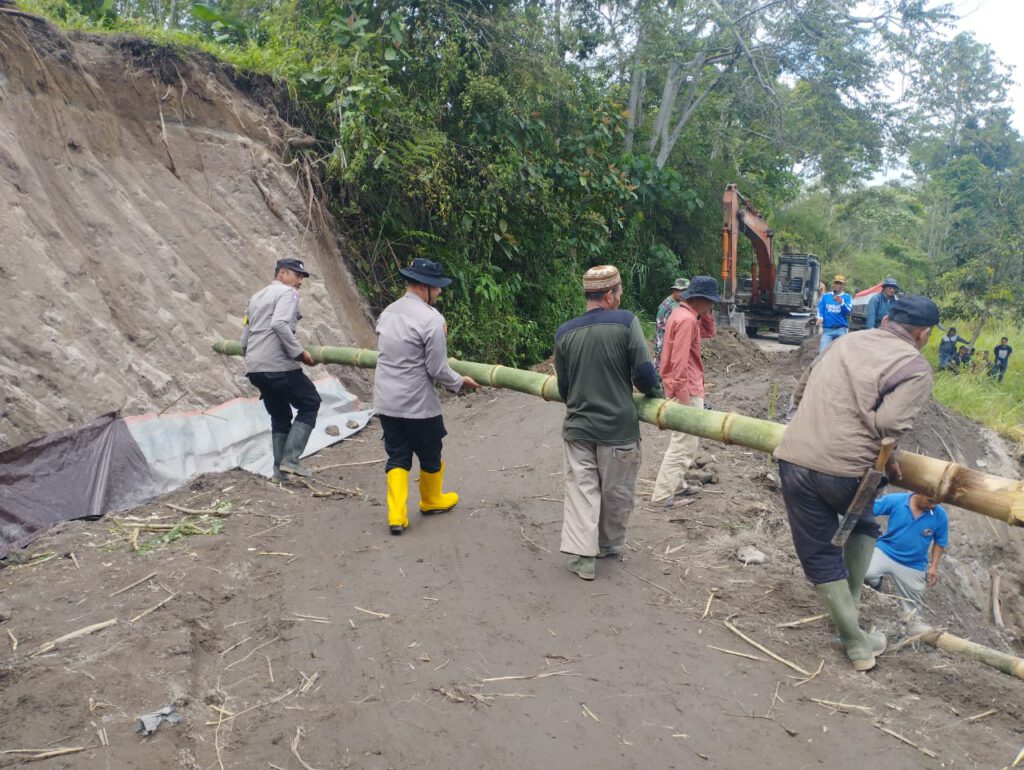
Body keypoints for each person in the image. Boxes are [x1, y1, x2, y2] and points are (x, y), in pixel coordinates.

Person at [774, 295, 940, 671]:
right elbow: (888, 425)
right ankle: (856, 643)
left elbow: (800, 392)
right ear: (924, 333)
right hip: (848, 471)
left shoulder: (844, 341)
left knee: (821, 550)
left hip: (794, 458)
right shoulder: (914, 366)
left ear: (888, 319)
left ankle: (849, 624)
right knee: (861, 524)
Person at [554, 265, 660, 580]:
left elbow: (564, 388)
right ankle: (609, 546)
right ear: (611, 295)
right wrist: (655, 392)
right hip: (619, 430)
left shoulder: (564, 332)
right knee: (617, 492)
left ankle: (583, 559)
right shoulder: (627, 322)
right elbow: (643, 374)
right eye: (620, 291)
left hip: (579, 429)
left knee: (582, 491)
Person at [374, 259, 480, 535]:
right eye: (437, 288)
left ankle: (396, 516)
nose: (440, 293)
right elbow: (436, 368)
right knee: (431, 452)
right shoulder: (432, 319)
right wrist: (460, 382)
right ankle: (431, 500)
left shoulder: (388, 312)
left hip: (386, 400)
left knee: (397, 455)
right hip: (417, 402)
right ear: (423, 286)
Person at [240, 257, 321, 480]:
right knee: (310, 402)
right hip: (277, 365)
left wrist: (250, 357)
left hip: (255, 367)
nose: (300, 282)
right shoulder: (288, 294)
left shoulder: (256, 296)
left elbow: (245, 336)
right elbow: (279, 324)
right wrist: (299, 353)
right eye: (297, 275)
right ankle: (291, 460)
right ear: (283, 273)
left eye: (302, 277)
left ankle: (279, 472)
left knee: (280, 414)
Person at [651, 276, 720, 506]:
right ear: (700, 299)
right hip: (686, 389)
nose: (712, 306)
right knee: (684, 445)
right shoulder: (687, 320)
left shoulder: (684, 315)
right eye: (710, 302)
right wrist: (684, 402)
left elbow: (710, 332)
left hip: (684, 386)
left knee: (682, 441)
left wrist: (706, 312)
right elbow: (679, 363)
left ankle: (677, 485)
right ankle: (662, 496)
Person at [864, 493, 948, 614]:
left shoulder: (940, 515)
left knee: (912, 611)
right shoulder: (896, 500)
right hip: (886, 550)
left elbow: (940, 542)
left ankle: (907, 627)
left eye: (937, 503)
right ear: (920, 492)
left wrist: (933, 566)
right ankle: (874, 590)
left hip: (914, 563)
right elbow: (867, 509)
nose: (933, 506)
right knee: (867, 573)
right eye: (930, 501)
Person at [654, 277, 690, 367]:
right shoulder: (666, 306)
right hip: (665, 343)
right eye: (681, 291)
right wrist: (661, 348)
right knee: (661, 368)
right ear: (675, 290)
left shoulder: (681, 303)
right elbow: (660, 329)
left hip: (675, 342)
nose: (684, 294)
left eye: (686, 291)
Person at [816, 275, 852, 352]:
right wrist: (820, 317)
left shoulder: (847, 297)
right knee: (822, 352)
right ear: (833, 284)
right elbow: (820, 308)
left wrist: (842, 303)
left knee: (841, 353)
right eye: (836, 283)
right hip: (828, 329)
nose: (837, 285)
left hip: (841, 329)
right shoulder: (825, 296)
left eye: (839, 283)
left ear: (843, 285)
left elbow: (848, 312)